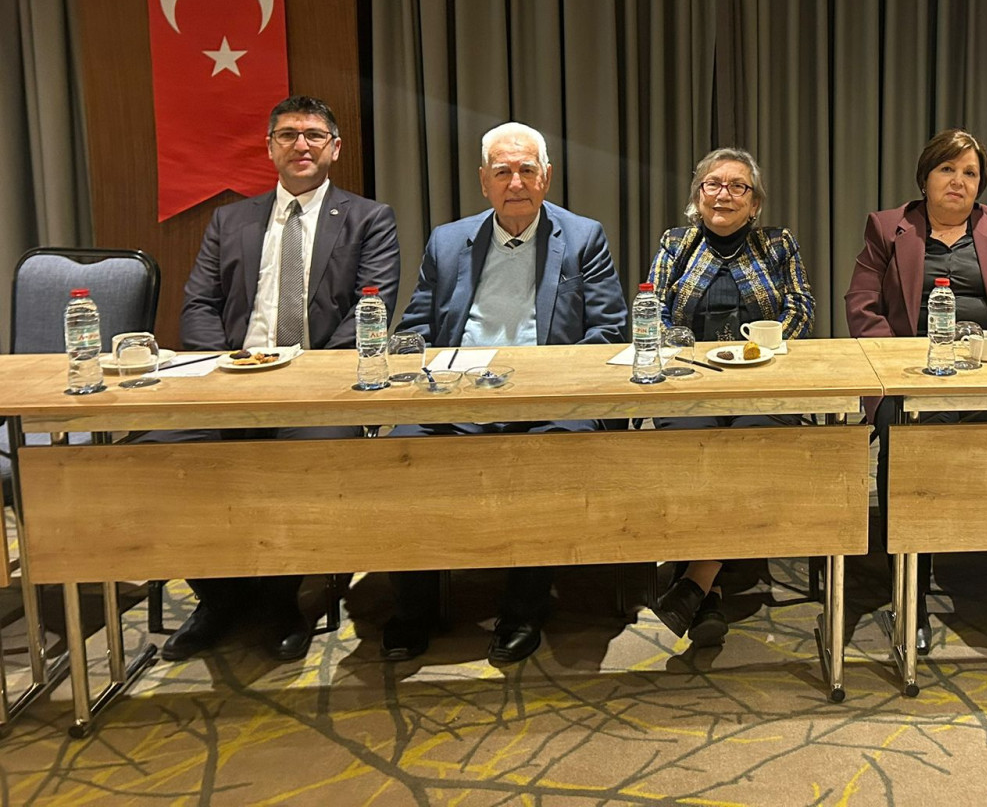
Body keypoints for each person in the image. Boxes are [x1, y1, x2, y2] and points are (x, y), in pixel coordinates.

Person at [161, 94, 400, 663]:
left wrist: (302, 379)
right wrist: (231, 371)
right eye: (288, 134)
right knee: (159, 453)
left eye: (314, 135)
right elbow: (199, 305)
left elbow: (371, 309)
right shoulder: (231, 220)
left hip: (316, 393)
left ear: (334, 148)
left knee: (309, 458)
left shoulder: (369, 219)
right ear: (269, 147)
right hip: (231, 386)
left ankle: (281, 600)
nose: (301, 145)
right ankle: (219, 598)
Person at [381, 122, 628, 665]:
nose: (515, 183)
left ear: (547, 177)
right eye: (502, 172)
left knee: (549, 455)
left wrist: (546, 381)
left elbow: (609, 330)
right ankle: (414, 608)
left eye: (526, 170)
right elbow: (417, 325)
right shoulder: (448, 241)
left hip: (547, 398)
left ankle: (523, 609)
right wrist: (411, 357)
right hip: (457, 394)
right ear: (483, 181)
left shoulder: (582, 237)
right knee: (400, 452)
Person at [845, 128, 987, 655]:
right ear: (925, 177)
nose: (958, 182)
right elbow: (862, 306)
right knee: (910, 446)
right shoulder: (887, 228)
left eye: (970, 173)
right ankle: (911, 589)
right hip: (914, 379)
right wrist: (901, 367)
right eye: (947, 169)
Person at [647, 147, 816, 645]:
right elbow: (652, 309)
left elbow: (801, 308)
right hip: (690, 385)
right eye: (713, 184)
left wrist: (764, 348)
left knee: (747, 448)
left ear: (754, 202)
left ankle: (699, 581)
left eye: (738, 186)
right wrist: (683, 349)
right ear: (698, 195)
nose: (724, 194)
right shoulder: (676, 244)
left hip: (763, 385)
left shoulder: (777, 244)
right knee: (694, 448)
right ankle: (709, 586)